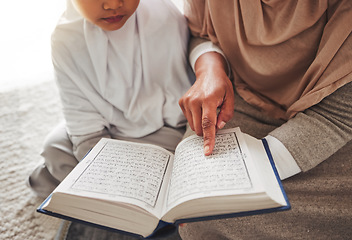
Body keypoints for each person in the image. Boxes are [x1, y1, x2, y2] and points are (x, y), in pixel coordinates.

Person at [178, 0, 352, 239]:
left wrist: (245, 173)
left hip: (331, 123)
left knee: (214, 213)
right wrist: (210, 69)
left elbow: (339, 116)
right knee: (197, 209)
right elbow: (200, 32)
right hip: (241, 97)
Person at [28, 0, 194, 198]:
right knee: (54, 148)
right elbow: (83, 124)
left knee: (181, 160)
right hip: (107, 128)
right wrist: (106, 167)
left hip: (166, 130)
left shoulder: (163, 17)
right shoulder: (66, 38)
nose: (114, 5)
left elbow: (182, 102)